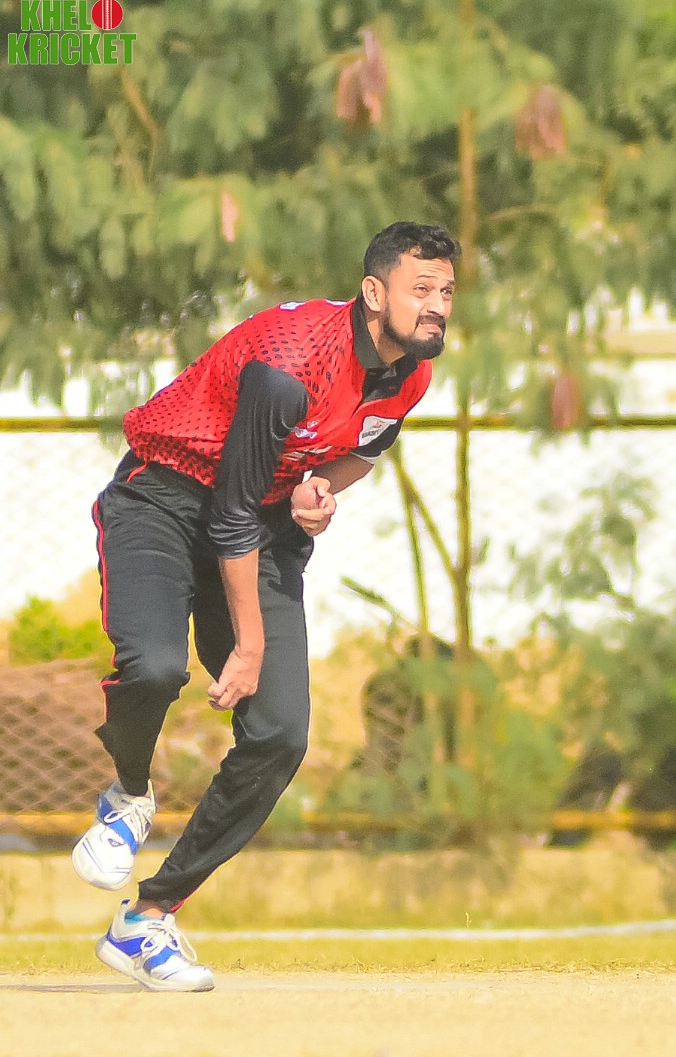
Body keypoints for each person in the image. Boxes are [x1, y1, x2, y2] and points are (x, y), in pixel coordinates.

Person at [70, 222, 459, 991]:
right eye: (422, 289)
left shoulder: (410, 373)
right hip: (163, 500)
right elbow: (228, 516)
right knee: (155, 667)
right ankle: (129, 796)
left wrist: (319, 491)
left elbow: (359, 452)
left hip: (259, 522)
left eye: (447, 291)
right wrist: (247, 645)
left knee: (280, 734)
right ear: (373, 292)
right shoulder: (290, 363)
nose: (438, 306)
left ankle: (149, 917)